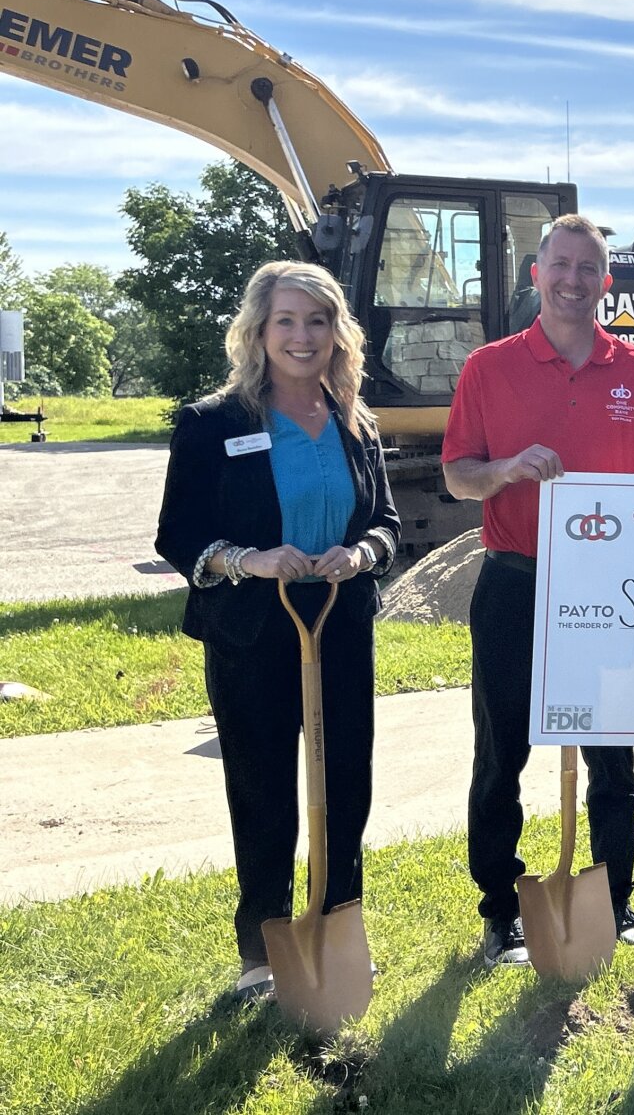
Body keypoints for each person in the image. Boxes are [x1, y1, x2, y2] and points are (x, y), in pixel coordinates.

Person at [154, 261, 400, 1000]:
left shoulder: (355, 420)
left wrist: (361, 553)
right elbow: (177, 534)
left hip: (339, 623)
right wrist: (247, 560)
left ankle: (336, 927)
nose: (302, 336)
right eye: (286, 321)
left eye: (317, 321)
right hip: (254, 631)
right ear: (259, 331)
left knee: (345, 783)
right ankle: (264, 950)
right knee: (261, 788)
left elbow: (386, 523)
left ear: (337, 333)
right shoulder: (214, 423)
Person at [442, 214, 634, 966]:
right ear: (536, 274)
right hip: (515, 581)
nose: (573, 280)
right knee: (500, 751)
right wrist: (506, 469)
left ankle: (613, 897)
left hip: (609, 587)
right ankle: (500, 908)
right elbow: (458, 475)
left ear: (606, 283)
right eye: (561, 265)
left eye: (588, 269)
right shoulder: (489, 368)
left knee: (612, 753)